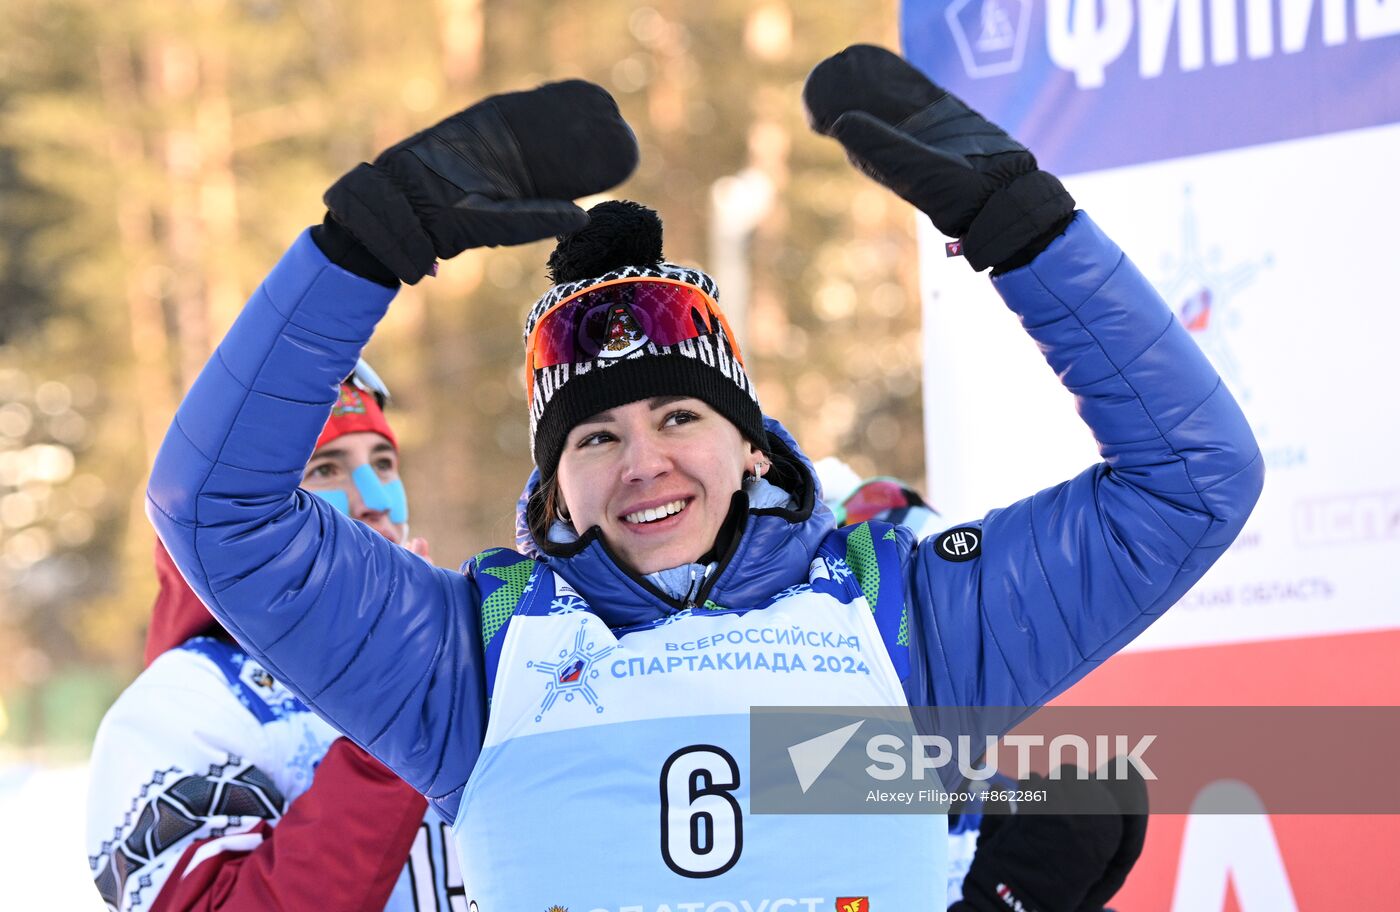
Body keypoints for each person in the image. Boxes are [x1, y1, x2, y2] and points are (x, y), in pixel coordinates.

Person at [143, 48, 1262, 907]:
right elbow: (217, 510)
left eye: (680, 414)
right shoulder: (467, 657)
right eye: (593, 438)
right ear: (552, 488)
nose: (644, 464)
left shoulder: (908, 616)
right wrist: (366, 244)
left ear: (752, 445)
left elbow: (1192, 479)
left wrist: (1022, 231)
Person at [87, 365, 464, 912]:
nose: (373, 498)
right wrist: (397, 709)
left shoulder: (477, 647)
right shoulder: (182, 703)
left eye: (383, 463)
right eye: (327, 468)